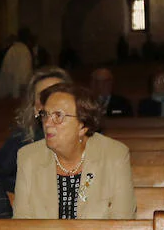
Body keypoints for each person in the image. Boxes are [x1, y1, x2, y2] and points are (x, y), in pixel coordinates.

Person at [12, 83, 135, 219]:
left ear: (83, 125)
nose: (47, 123)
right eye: (45, 115)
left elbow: (122, 223)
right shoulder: (28, 157)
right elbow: (22, 224)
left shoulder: (114, 155)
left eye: (58, 116)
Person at [0, 66, 72, 193]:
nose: (51, 101)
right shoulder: (22, 139)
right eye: (43, 96)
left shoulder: (90, 138)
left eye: (57, 93)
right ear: (35, 107)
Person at [0, 29, 36, 97]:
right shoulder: (24, 51)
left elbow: (6, 70)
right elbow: (25, 71)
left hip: (12, 85)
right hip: (21, 87)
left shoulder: (12, 50)